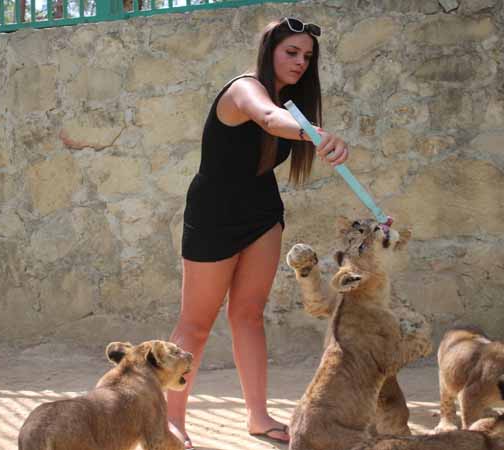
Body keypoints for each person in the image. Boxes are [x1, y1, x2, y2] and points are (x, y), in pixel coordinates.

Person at [167, 17, 349, 449]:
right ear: (269, 50)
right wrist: (317, 135)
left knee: (248, 314)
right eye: (292, 52)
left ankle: (258, 417)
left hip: (262, 212)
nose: (300, 62)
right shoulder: (244, 88)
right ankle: (170, 422)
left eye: (307, 56)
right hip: (213, 215)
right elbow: (267, 119)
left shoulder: (294, 105)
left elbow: (278, 122)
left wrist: (308, 128)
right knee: (195, 325)